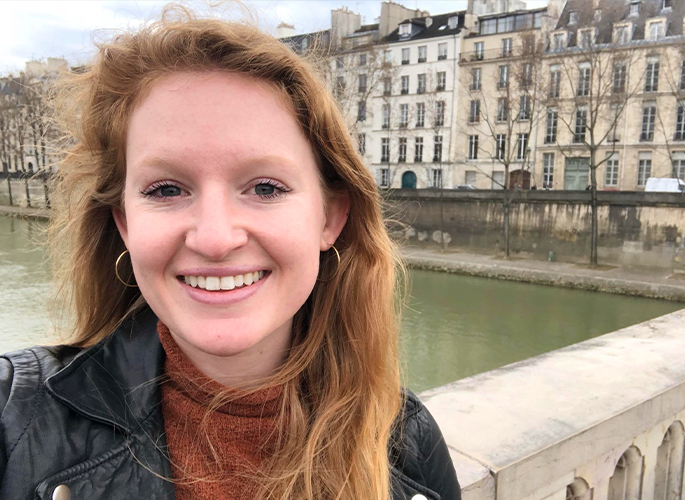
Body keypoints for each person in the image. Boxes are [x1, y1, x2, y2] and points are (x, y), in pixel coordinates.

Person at [0, 7, 460, 500]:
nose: (216, 239)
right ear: (125, 224)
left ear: (330, 218)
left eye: (265, 187)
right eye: (165, 190)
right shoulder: (11, 417)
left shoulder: (409, 442)